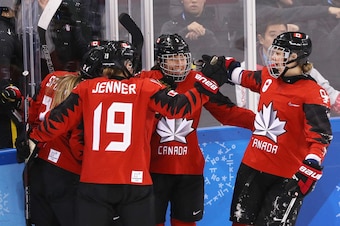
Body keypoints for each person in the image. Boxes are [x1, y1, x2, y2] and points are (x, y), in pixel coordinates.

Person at [26, 40, 227, 226]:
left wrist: (33, 137)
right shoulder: (145, 87)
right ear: (119, 65)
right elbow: (179, 108)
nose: (132, 67)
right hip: (135, 185)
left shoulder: (86, 89)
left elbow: (55, 123)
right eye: (129, 63)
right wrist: (208, 84)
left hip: (94, 184)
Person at [137, 33, 255, 226]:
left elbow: (226, 112)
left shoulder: (198, 80)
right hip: (152, 170)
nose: (179, 64)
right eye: (172, 59)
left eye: (182, 58)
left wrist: (260, 123)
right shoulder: (146, 80)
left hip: (189, 170)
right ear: (160, 61)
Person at [221, 31, 333, 225]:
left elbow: (320, 136)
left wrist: (311, 164)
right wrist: (223, 66)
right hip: (252, 168)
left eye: (279, 53)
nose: (272, 57)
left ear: (295, 57)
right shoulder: (268, 77)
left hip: (285, 177)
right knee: (240, 222)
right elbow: (244, 77)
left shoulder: (313, 93)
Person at [235, 18, 340, 116]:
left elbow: (330, 94)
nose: (279, 40)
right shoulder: (247, 67)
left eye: (282, 34)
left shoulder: (298, 62)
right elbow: (247, 108)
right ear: (261, 39)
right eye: (273, 35)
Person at [21, 70, 84, 226]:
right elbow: (78, 145)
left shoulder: (52, 77)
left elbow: (32, 116)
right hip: (66, 171)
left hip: (39, 165)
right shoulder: (84, 89)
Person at [160, 0, 224, 60]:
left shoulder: (217, 25)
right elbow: (162, 49)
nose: (194, 1)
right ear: (182, 0)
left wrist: (205, 34)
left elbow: (224, 53)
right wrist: (184, 31)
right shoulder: (170, 26)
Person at [0, 0, 24, 149]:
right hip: (5, 107)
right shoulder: (4, 33)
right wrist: (8, 94)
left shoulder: (10, 29)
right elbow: (3, 69)